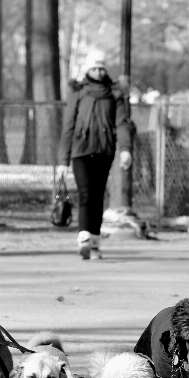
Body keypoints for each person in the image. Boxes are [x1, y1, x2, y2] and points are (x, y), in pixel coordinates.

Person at [57, 49, 133, 260]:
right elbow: (68, 127)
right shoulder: (78, 93)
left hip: (104, 151)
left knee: (98, 196)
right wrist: (63, 161)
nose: (98, 72)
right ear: (87, 70)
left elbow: (123, 124)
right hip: (81, 151)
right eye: (94, 68)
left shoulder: (114, 94)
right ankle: (84, 237)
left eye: (101, 68)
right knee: (86, 193)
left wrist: (125, 149)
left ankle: (95, 242)